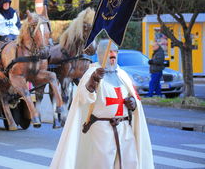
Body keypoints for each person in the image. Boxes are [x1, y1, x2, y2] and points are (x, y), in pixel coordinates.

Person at [50, 39, 153, 169]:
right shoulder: (91, 73)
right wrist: (93, 81)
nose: (113, 55)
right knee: (102, 163)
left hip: (125, 128)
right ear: (101, 54)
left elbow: (134, 98)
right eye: (110, 51)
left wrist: (132, 103)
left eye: (115, 51)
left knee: (129, 162)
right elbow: (84, 98)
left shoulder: (123, 75)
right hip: (102, 130)